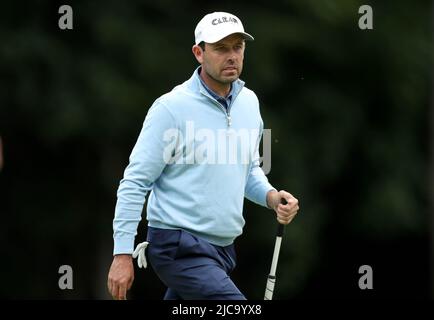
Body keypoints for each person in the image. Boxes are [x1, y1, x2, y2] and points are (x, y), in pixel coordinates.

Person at [107, 11, 299, 300]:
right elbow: (135, 182)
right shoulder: (170, 108)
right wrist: (122, 253)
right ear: (199, 53)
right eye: (221, 48)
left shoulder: (249, 103)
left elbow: (247, 169)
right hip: (178, 246)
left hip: (223, 250)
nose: (232, 56)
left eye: (238, 47)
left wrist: (272, 197)